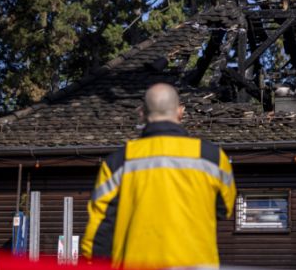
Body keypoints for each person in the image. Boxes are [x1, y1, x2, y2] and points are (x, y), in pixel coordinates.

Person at [81, 83, 236, 268]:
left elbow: (99, 229)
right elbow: (224, 209)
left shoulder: (119, 162)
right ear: (180, 112)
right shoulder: (213, 158)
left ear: (142, 113)